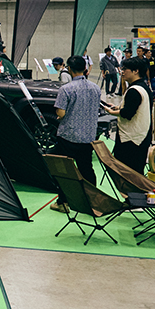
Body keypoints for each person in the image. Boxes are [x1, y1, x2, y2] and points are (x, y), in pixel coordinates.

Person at [49, 54, 102, 212]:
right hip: (88, 137)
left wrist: (60, 113)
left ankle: (63, 202)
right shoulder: (95, 88)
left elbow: (61, 112)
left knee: (64, 170)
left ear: (69, 69)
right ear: (85, 69)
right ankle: (91, 200)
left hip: (68, 136)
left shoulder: (66, 89)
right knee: (87, 169)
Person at [104, 56, 153, 175]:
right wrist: (118, 107)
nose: (122, 71)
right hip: (142, 136)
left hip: (131, 139)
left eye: (125, 69)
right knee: (136, 172)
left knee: (129, 174)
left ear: (136, 71)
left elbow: (128, 113)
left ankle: (131, 194)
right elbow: (135, 108)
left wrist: (111, 112)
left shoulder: (134, 90)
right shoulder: (143, 87)